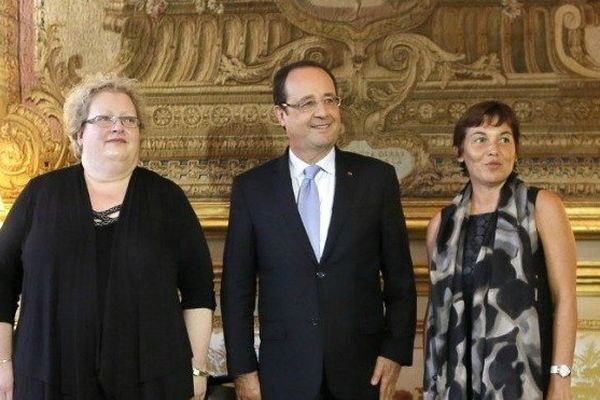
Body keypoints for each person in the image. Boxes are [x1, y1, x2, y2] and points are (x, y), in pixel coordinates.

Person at [0, 74, 215, 400]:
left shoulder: (168, 199)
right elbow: (1, 286)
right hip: (48, 377)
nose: (119, 127)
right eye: (104, 119)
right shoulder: (38, 196)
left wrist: (197, 370)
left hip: (151, 382)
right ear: (79, 132)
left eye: (129, 120)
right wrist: (2, 363)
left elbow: (199, 293)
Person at [220, 60, 416, 400]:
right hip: (283, 372)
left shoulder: (376, 179)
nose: (323, 112)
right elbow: (236, 289)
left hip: (363, 369)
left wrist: (395, 351)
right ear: (281, 114)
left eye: (330, 100)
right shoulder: (253, 189)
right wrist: (243, 370)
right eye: (307, 103)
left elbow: (400, 276)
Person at [423, 101, 577, 399]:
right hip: (455, 383)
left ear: (515, 150)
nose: (494, 150)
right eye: (480, 139)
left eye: (504, 139)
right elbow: (436, 313)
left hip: (523, 379)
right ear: (459, 152)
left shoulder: (542, 206)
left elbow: (565, 298)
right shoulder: (440, 226)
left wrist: (561, 378)